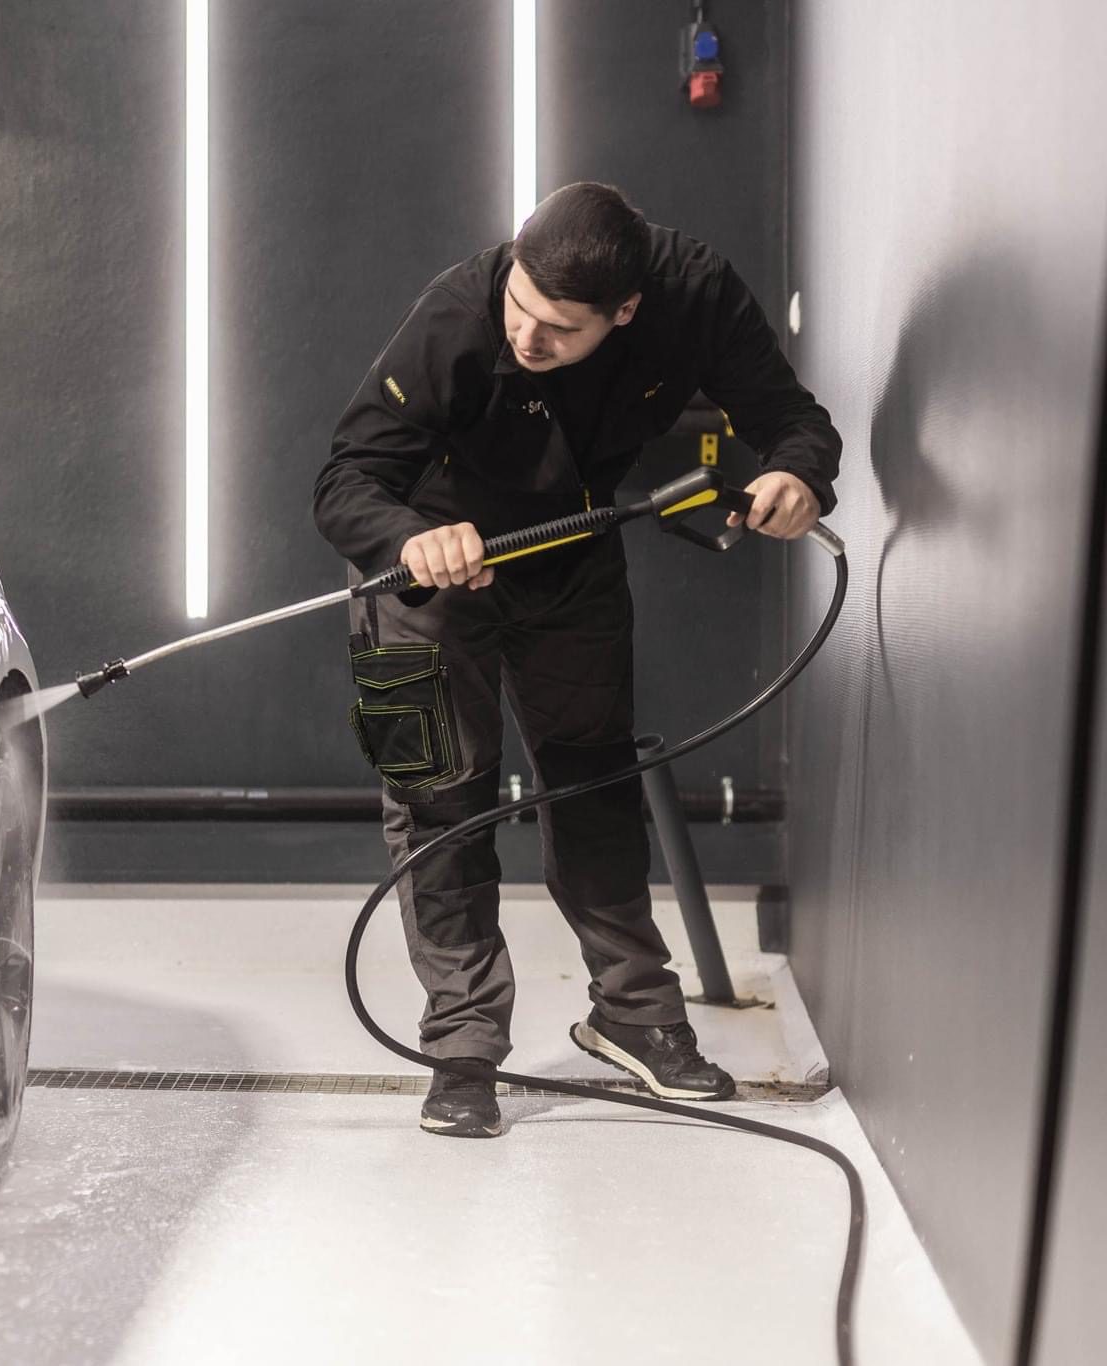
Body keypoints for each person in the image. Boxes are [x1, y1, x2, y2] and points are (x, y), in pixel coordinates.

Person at [313, 182, 840, 1139]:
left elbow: (797, 419)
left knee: (596, 780)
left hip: (572, 551)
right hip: (419, 574)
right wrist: (406, 538)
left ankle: (634, 1016)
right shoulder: (454, 313)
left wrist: (799, 475)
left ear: (626, 312)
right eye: (519, 307)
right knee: (435, 794)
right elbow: (343, 481)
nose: (526, 338)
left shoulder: (696, 295)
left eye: (557, 328)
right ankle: (463, 1046)